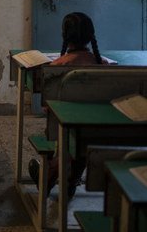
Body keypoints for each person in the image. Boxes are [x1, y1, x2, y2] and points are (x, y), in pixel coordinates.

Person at [28, 11, 108, 197]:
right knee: (81, 138)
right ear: (91, 35)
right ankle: (71, 179)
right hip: (96, 130)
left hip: (62, 130)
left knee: (66, 134)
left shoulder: (56, 68)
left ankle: (49, 174)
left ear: (65, 35)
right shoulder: (103, 64)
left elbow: (46, 107)